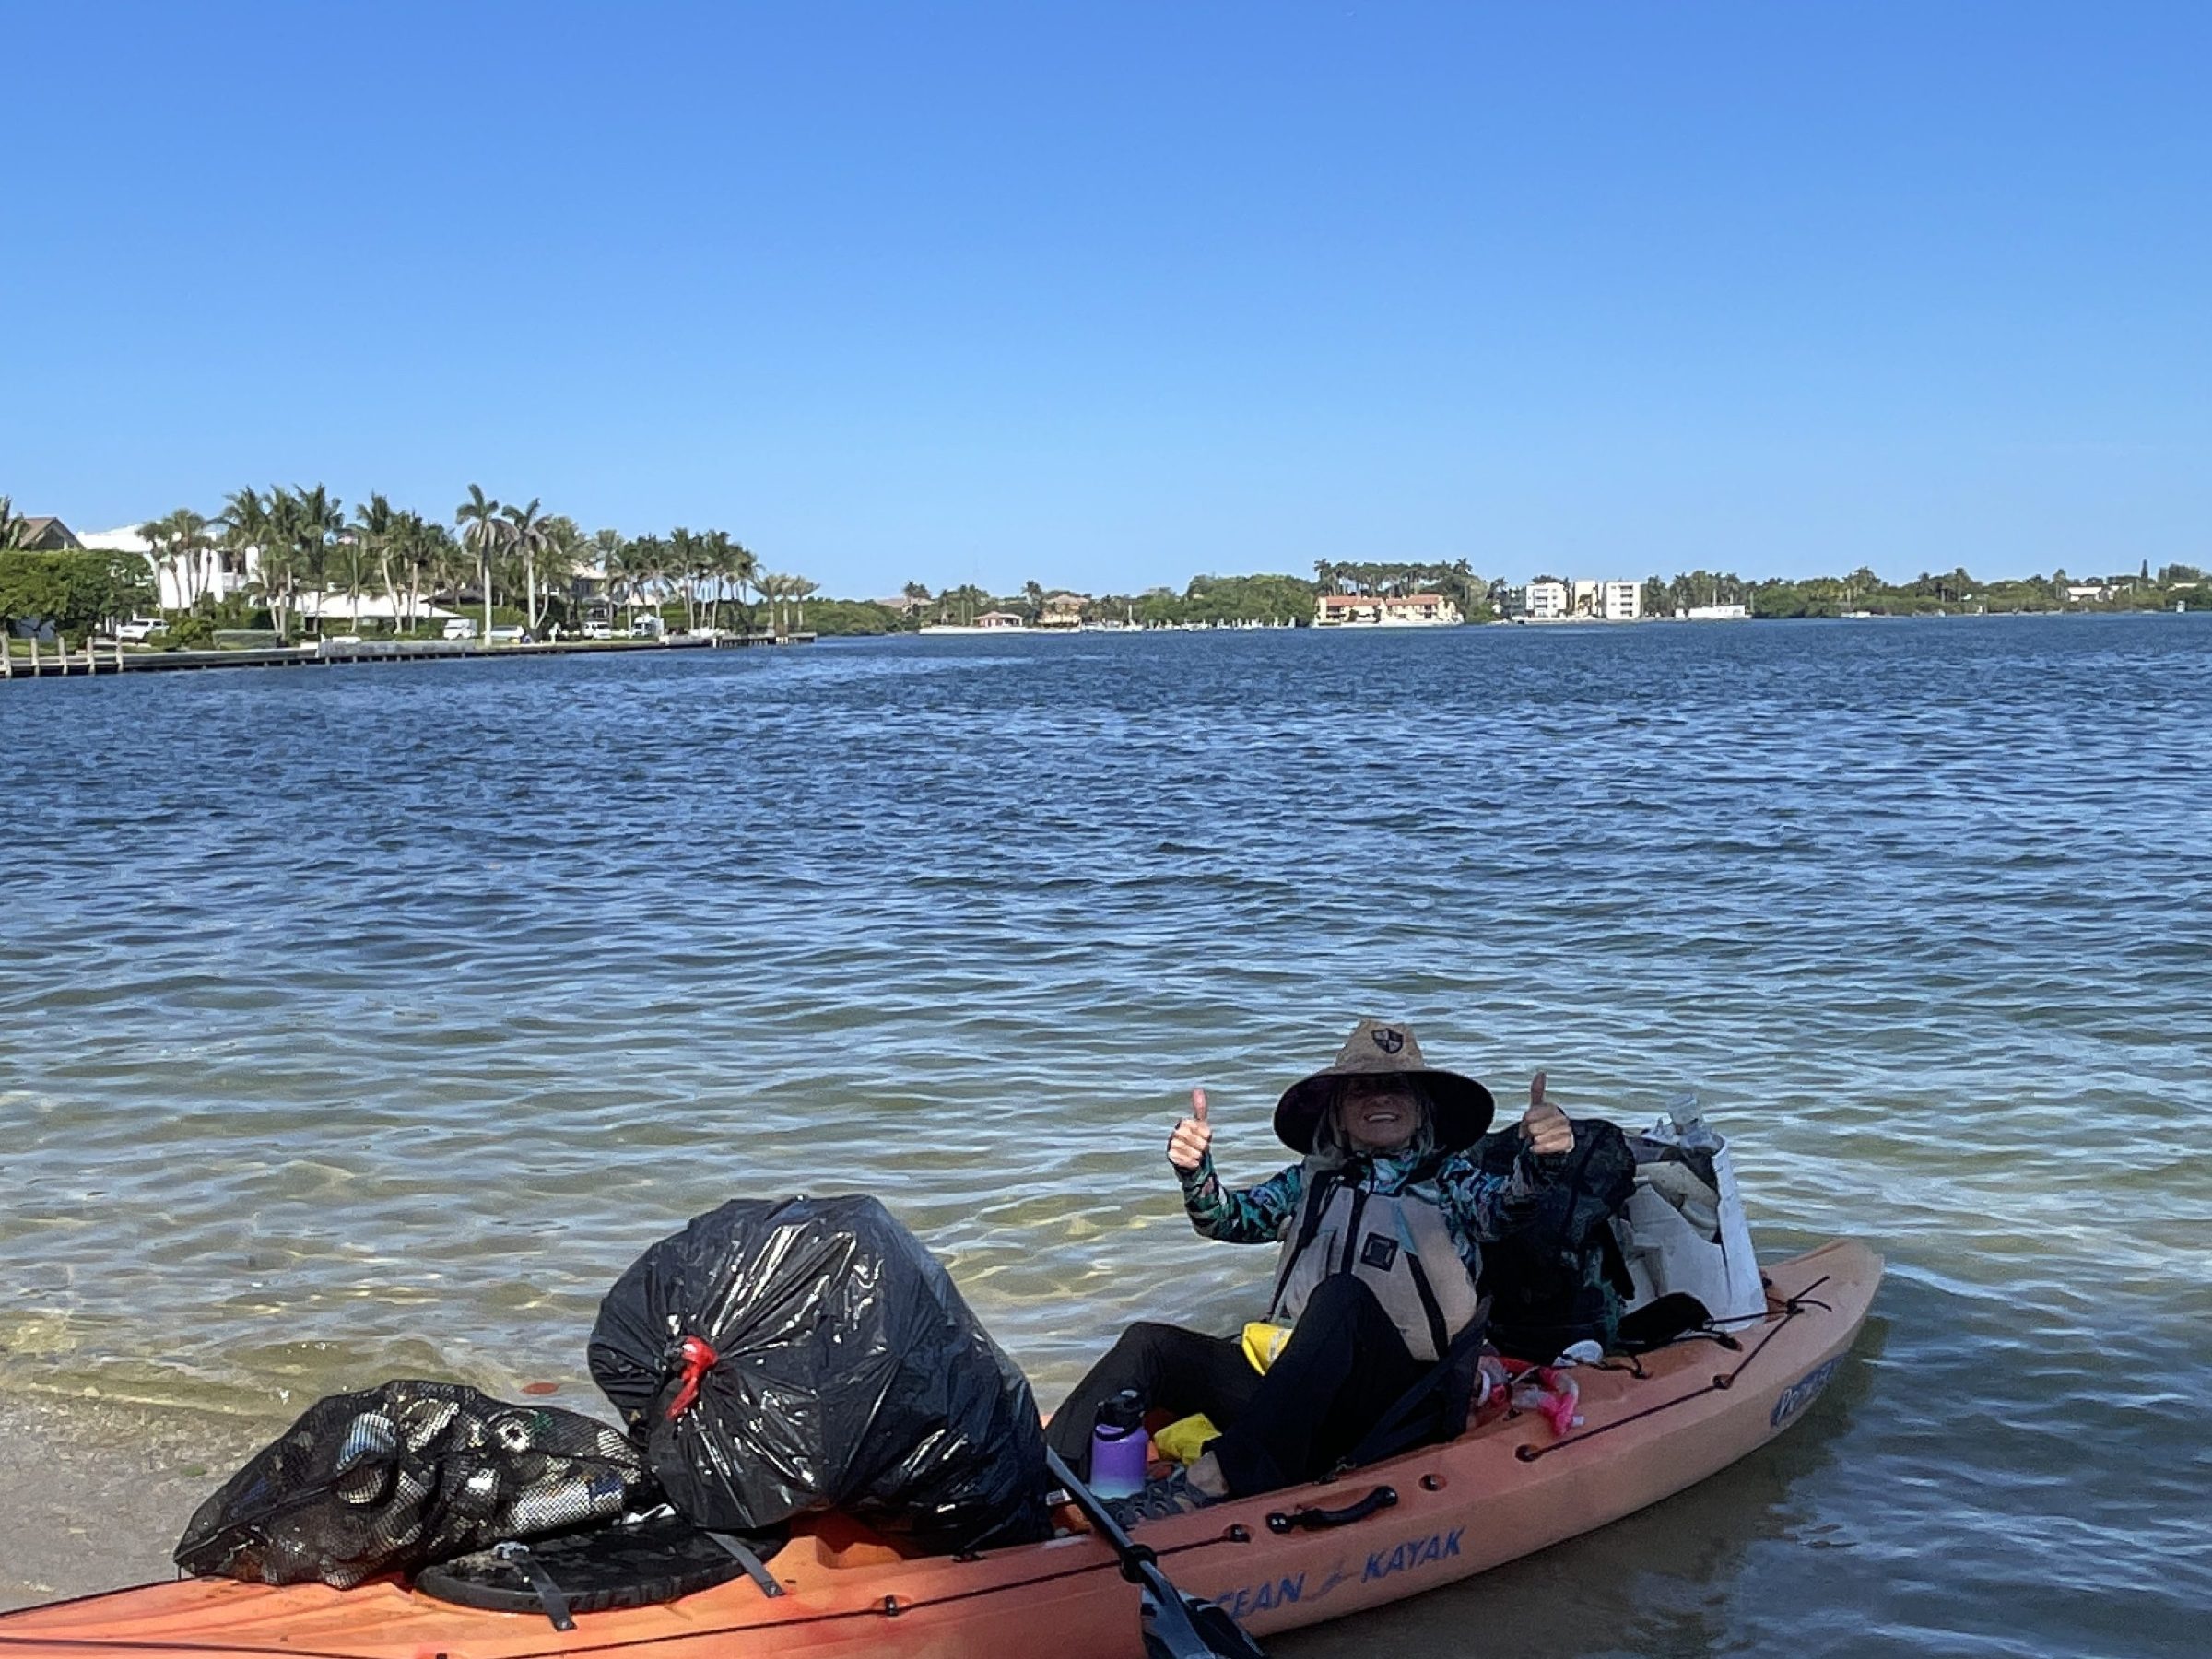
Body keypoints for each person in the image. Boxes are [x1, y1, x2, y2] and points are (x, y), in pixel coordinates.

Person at [1047, 1018, 1573, 1522]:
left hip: (1396, 1408)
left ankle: (1218, 1477)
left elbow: (1508, 1207)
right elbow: (1227, 1220)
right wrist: (1194, 1171)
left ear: (1422, 1108)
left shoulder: (1455, 1182)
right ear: (1338, 1111)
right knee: (1150, 1343)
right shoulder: (1310, 1181)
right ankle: (1038, 1475)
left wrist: (1543, 1158)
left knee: (1341, 1295)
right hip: (1293, 1395)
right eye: (1362, 1089)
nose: (1381, 1098)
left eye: (1397, 1088)